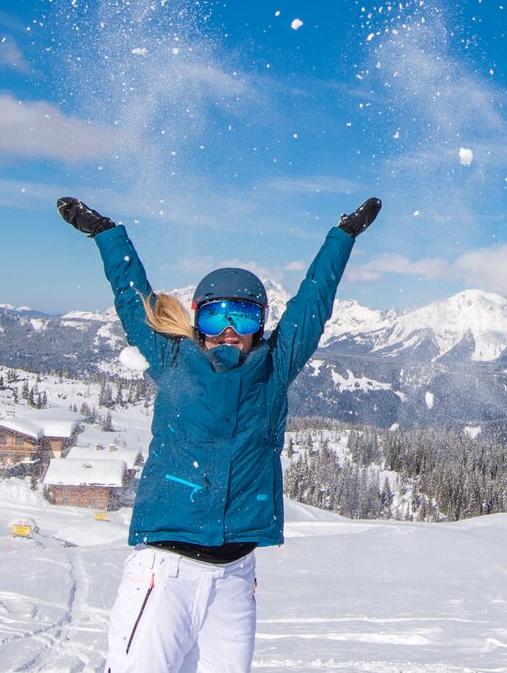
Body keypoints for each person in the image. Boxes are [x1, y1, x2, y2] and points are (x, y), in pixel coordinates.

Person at [57, 194, 380, 673]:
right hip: (165, 573)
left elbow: (313, 302)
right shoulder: (171, 357)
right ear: (197, 320)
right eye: (216, 316)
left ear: (261, 324)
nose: (230, 330)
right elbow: (132, 295)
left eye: (244, 317)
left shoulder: (274, 366)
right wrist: (107, 233)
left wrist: (342, 237)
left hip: (235, 576)